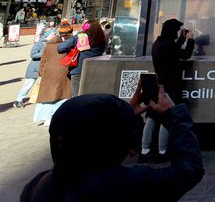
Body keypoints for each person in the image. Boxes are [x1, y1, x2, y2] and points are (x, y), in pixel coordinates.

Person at [20, 86, 204, 202]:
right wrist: (174, 115)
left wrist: (124, 116)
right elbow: (189, 169)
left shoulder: (39, 185)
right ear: (116, 142)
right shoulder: (129, 184)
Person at [141, 18, 195, 162]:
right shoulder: (169, 46)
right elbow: (185, 55)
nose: (177, 33)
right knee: (168, 116)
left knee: (152, 117)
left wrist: (181, 40)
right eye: (176, 31)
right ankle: (162, 150)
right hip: (170, 85)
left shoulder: (158, 44)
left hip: (158, 84)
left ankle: (145, 150)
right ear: (172, 32)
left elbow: (173, 51)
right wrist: (190, 40)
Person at [33, 27, 73, 126]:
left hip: (48, 73)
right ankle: (57, 117)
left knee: (47, 96)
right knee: (62, 96)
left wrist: (41, 73)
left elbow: (43, 61)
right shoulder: (69, 45)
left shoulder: (49, 45)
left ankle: (46, 118)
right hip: (63, 73)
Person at [57, 20, 107, 97]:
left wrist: (72, 48)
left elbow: (60, 48)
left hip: (78, 71)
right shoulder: (102, 39)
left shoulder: (81, 37)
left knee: (78, 98)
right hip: (95, 71)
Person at [13, 30, 46, 108]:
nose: (55, 35)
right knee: (28, 85)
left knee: (46, 84)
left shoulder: (51, 44)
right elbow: (33, 54)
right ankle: (18, 100)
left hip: (44, 68)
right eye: (53, 34)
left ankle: (44, 98)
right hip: (34, 68)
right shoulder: (39, 44)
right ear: (46, 35)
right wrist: (45, 53)